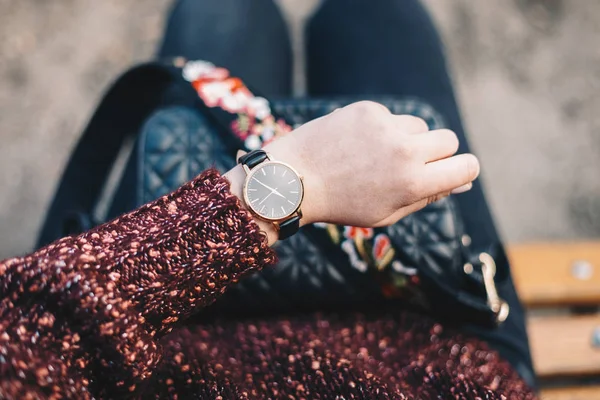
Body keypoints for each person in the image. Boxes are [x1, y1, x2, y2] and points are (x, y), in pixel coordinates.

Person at [0, 0, 537, 398]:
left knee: (225, 10)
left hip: (176, 324)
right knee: (377, 15)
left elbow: (29, 329)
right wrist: (297, 182)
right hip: (442, 338)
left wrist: (295, 180)